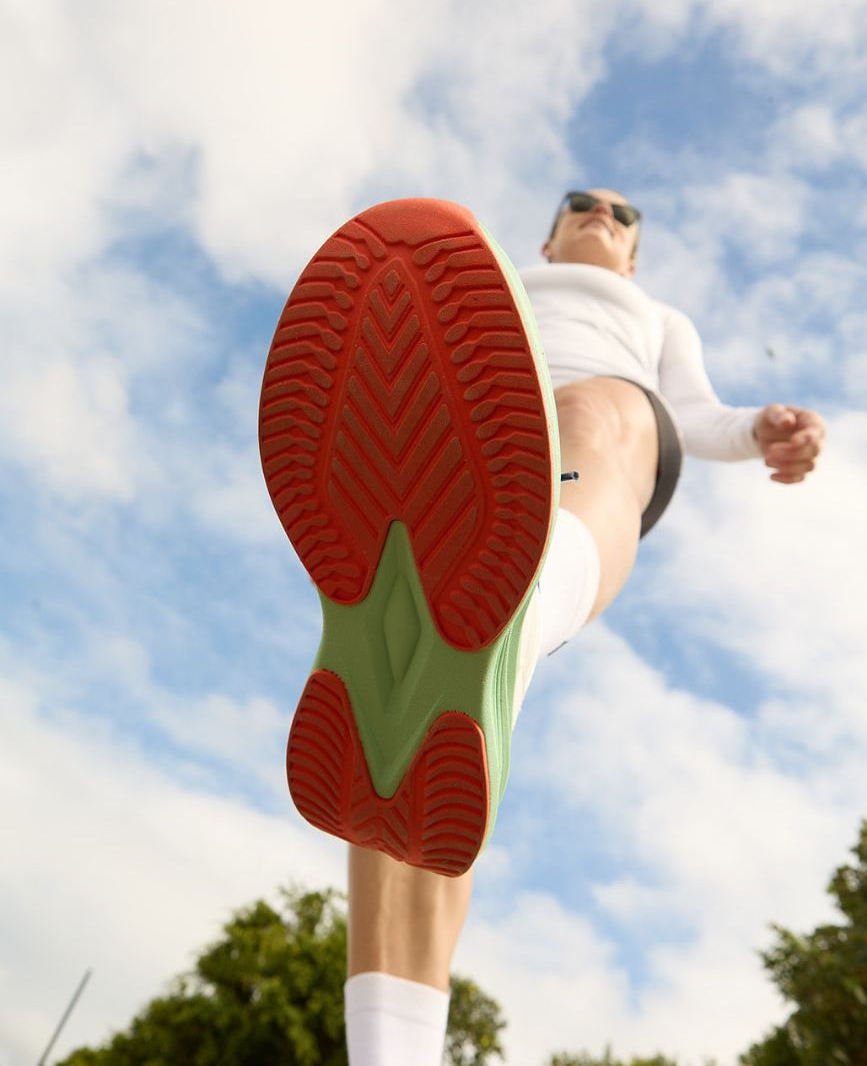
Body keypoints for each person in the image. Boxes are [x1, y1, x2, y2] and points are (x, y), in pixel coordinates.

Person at [258, 190, 826, 1066]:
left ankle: (517, 606)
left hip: (605, 442)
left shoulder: (656, 316)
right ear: (548, 236)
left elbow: (699, 412)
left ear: (633, 259)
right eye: (582, 204)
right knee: (392, 779)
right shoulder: (503, 282)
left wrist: (762, 430)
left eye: (623, 213)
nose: (603, 212)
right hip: (471, 457)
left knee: (595, 418)